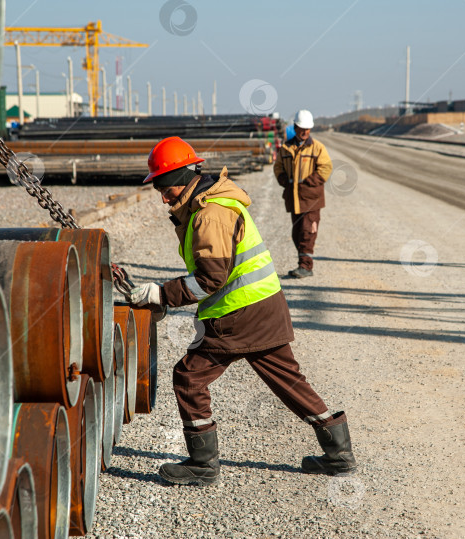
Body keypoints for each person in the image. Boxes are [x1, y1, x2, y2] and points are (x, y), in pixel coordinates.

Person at [129, 136, 356, 485]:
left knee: (189, 378)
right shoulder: (208, 206)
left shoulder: (210, 214)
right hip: (265, 308)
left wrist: (161, 294)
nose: (162, 195)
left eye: (164, 186)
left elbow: (210, 279)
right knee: (289, 381)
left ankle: (203, 464)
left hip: (239, 316)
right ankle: (338, 453)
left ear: (183, 177)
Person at [273, 109, 332, 278]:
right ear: (296, 127)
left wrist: (308, 183)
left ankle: (306, 266)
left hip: (311, 199)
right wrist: (285, 180)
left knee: (308, 231)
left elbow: (326, 168)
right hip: (294, 199)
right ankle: (303, 264)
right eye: (302, 128)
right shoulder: (285, 148)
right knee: (297, 232)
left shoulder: (317, 148)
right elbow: (278, 168)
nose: (305, 132)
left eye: (308, 129)